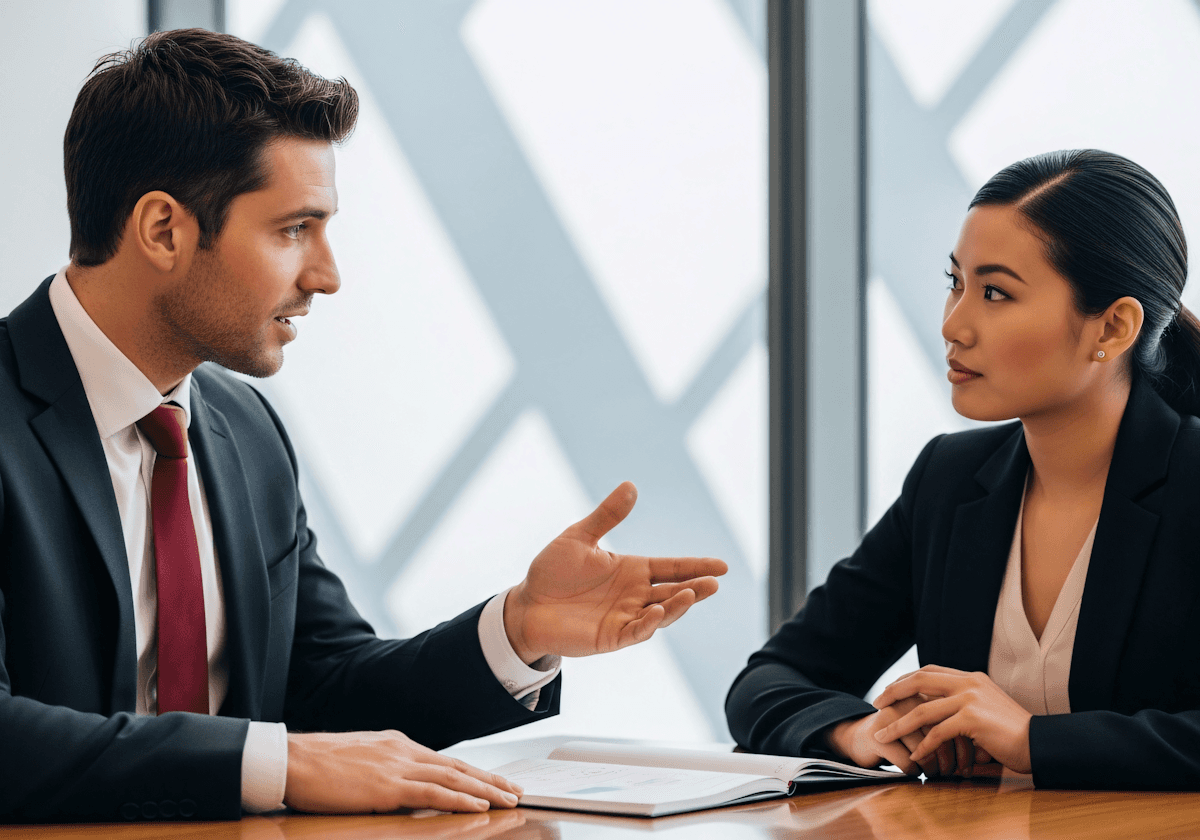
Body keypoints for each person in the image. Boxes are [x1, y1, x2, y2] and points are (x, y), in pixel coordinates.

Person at [0, 29, 727, 823]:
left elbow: (326, 691)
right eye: (292, 230)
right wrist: (273, 761)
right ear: (165, 230)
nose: (327, 276)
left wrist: (517, 629)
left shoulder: (243, 433)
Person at [727, 149, 1200, 790]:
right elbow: (770, 679)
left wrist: (1030, 739)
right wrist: (862, 732)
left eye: (996, 293)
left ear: (1112, 327)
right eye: (956, 283)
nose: (954, 324)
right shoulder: (950, 480)